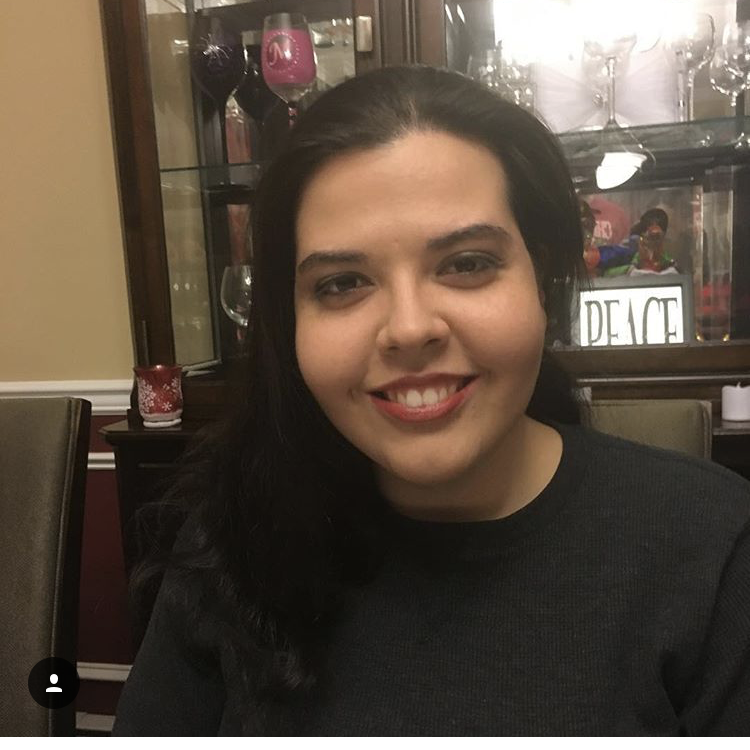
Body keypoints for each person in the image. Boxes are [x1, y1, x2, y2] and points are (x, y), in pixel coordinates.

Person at [112, 65, 750, 736]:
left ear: (542, 279)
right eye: (342, 283)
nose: (410, 328)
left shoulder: (713, 552)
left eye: (466, 263)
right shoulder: (230, 541)